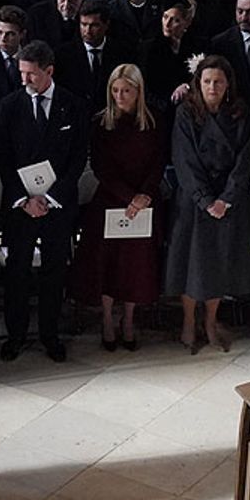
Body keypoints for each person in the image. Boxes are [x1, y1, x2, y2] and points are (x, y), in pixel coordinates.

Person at [0, 40, 90, 362]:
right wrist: (24, 200)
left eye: (31, 74)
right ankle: (16, 335)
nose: (24, 80)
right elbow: (3, 159)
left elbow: (77, 160)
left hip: (57, 207)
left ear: (49, 71)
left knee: (54, 273)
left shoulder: (73, 105)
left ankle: (51, 335)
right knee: (17, 272)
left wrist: (50, 198)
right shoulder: (9, 106)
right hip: (21, 208)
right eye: (21, 73)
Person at [165, 55, 250, 353]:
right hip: (194, 200)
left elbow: (244, 161)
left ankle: (211, 322)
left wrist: (226, 199)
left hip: (228, 202)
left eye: (218, 81)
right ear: (198, 83)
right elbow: (184, 160)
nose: (212, 87)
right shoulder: (186, 113)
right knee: (192, 266)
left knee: (219, 264)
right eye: (206, 81)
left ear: (228, 83)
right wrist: (205, 200)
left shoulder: (240, 113)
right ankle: (189, 323)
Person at [73, 64, 166, 350]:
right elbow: (101, 167)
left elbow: (159, 162)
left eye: (126, 90)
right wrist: (129, 197)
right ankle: (107, 321)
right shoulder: (101, 122)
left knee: (135, 266)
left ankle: (128, 320)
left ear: (138, 91)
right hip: (112, 200)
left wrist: (144, 195)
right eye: (115, 90)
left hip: (144, 201)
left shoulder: (154, 121)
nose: (120, 96)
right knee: (107, 265)